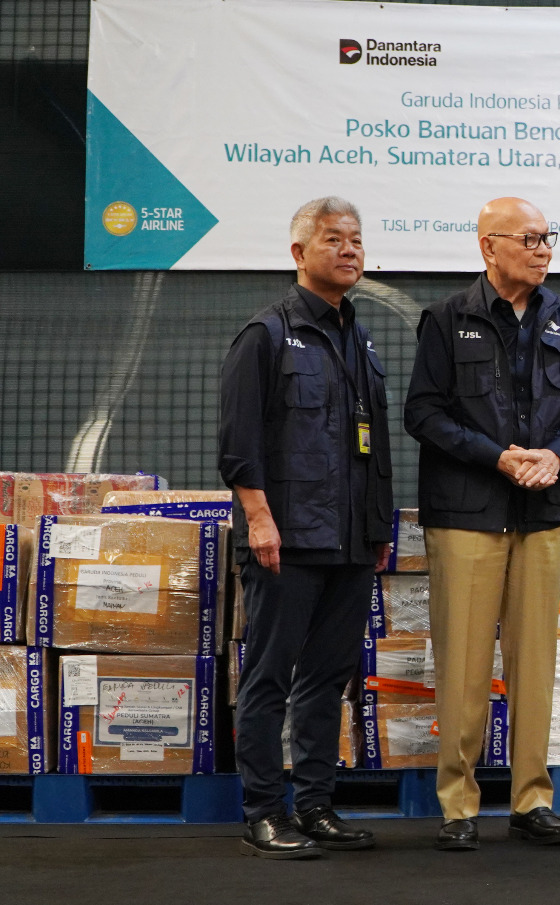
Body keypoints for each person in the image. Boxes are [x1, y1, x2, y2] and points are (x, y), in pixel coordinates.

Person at [404, 197, 560, 851]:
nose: (544, 248)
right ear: (489, 247)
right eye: (530, 238)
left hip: (542, 512)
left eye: (549, 238)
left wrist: (555, 455)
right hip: (468, 512)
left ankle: (531, 800)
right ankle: (459, 805)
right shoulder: (446, 318)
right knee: (463, 662)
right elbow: (423, 413)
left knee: (534, 663)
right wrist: (497, 457)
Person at [219, 196, 394, 859]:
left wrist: (377, 529)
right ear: (299, 253)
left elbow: (370, 444)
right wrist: (260, 521)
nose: (349, 250)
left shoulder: (361, 336)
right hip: (285, 540)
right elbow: (239, 444)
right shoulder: (265, 334)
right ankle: (264, 811)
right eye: (332, 240)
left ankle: (317, 805)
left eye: (355, 240)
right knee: (269, 677)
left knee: (326, 678)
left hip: (352, 541)